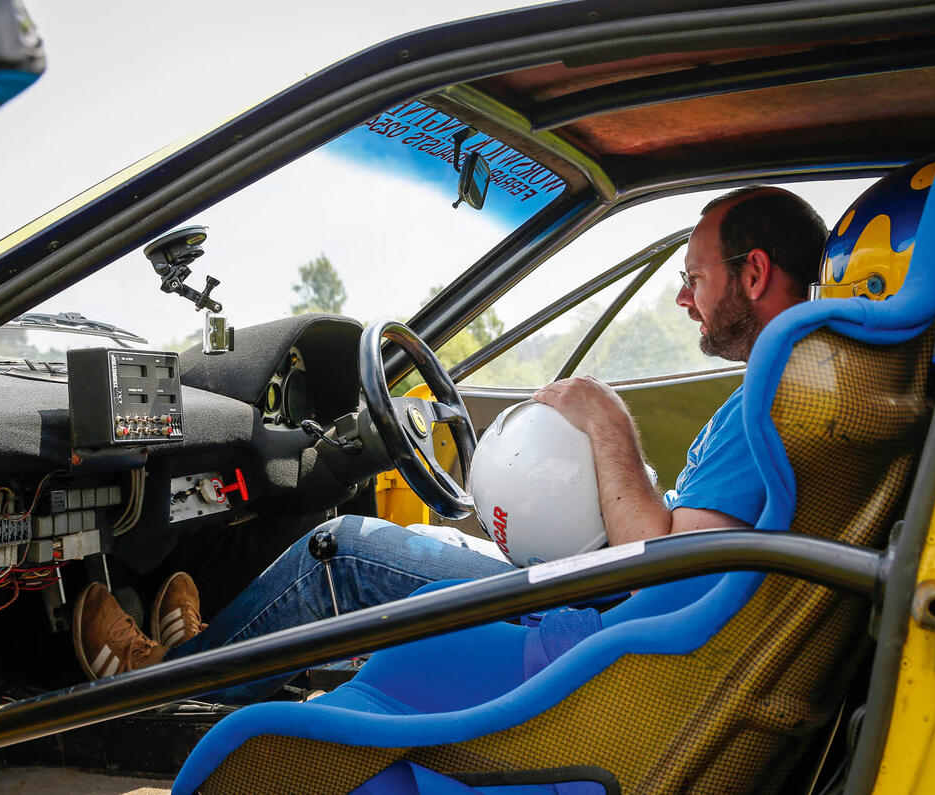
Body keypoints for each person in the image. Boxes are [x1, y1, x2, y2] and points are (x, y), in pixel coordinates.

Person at [73, 185, 829, 694]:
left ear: (754, 272)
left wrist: (604, 419)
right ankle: (210, 652)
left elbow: (665, 580)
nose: (684, 296)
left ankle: (153, 679)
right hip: (598, 616)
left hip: (590, 638)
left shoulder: (774, 397)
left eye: (695, 276)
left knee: (340, 553)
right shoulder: (797, 385)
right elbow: (686, 554)